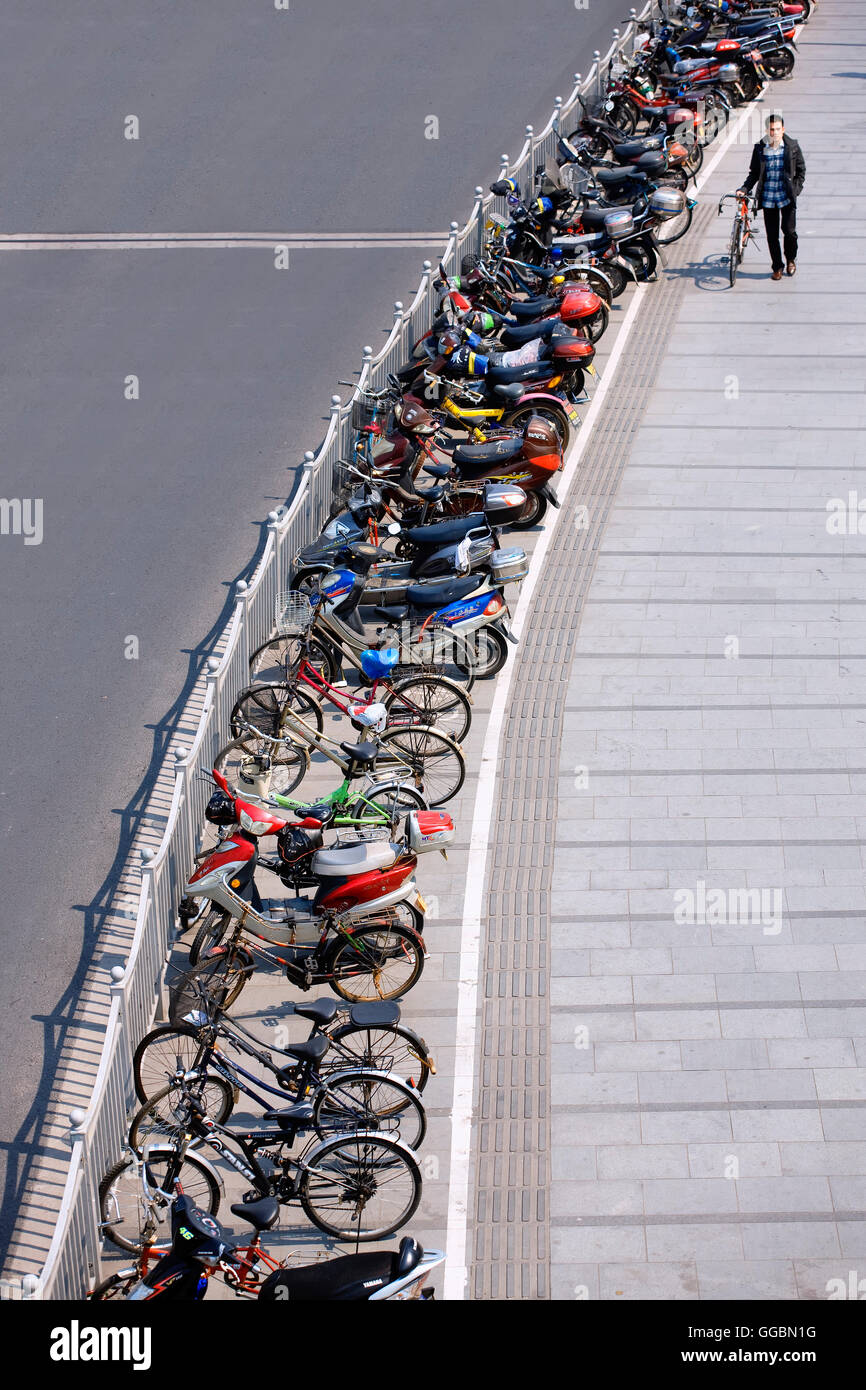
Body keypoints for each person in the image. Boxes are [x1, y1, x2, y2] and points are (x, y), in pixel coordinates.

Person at [738, 114, 806, 280]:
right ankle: (777, 266)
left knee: (789, 232)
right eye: (771, 129)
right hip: (768, 198)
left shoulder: (792, 147)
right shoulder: (760, 148)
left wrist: (795, 190)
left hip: (787, 197)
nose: (774, 132)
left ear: (783, 130)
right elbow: (754, 173)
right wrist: (745, 188)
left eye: (777, 129)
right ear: (766, 130)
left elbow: (801, 170)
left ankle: (790, 259)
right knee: (772, 235)